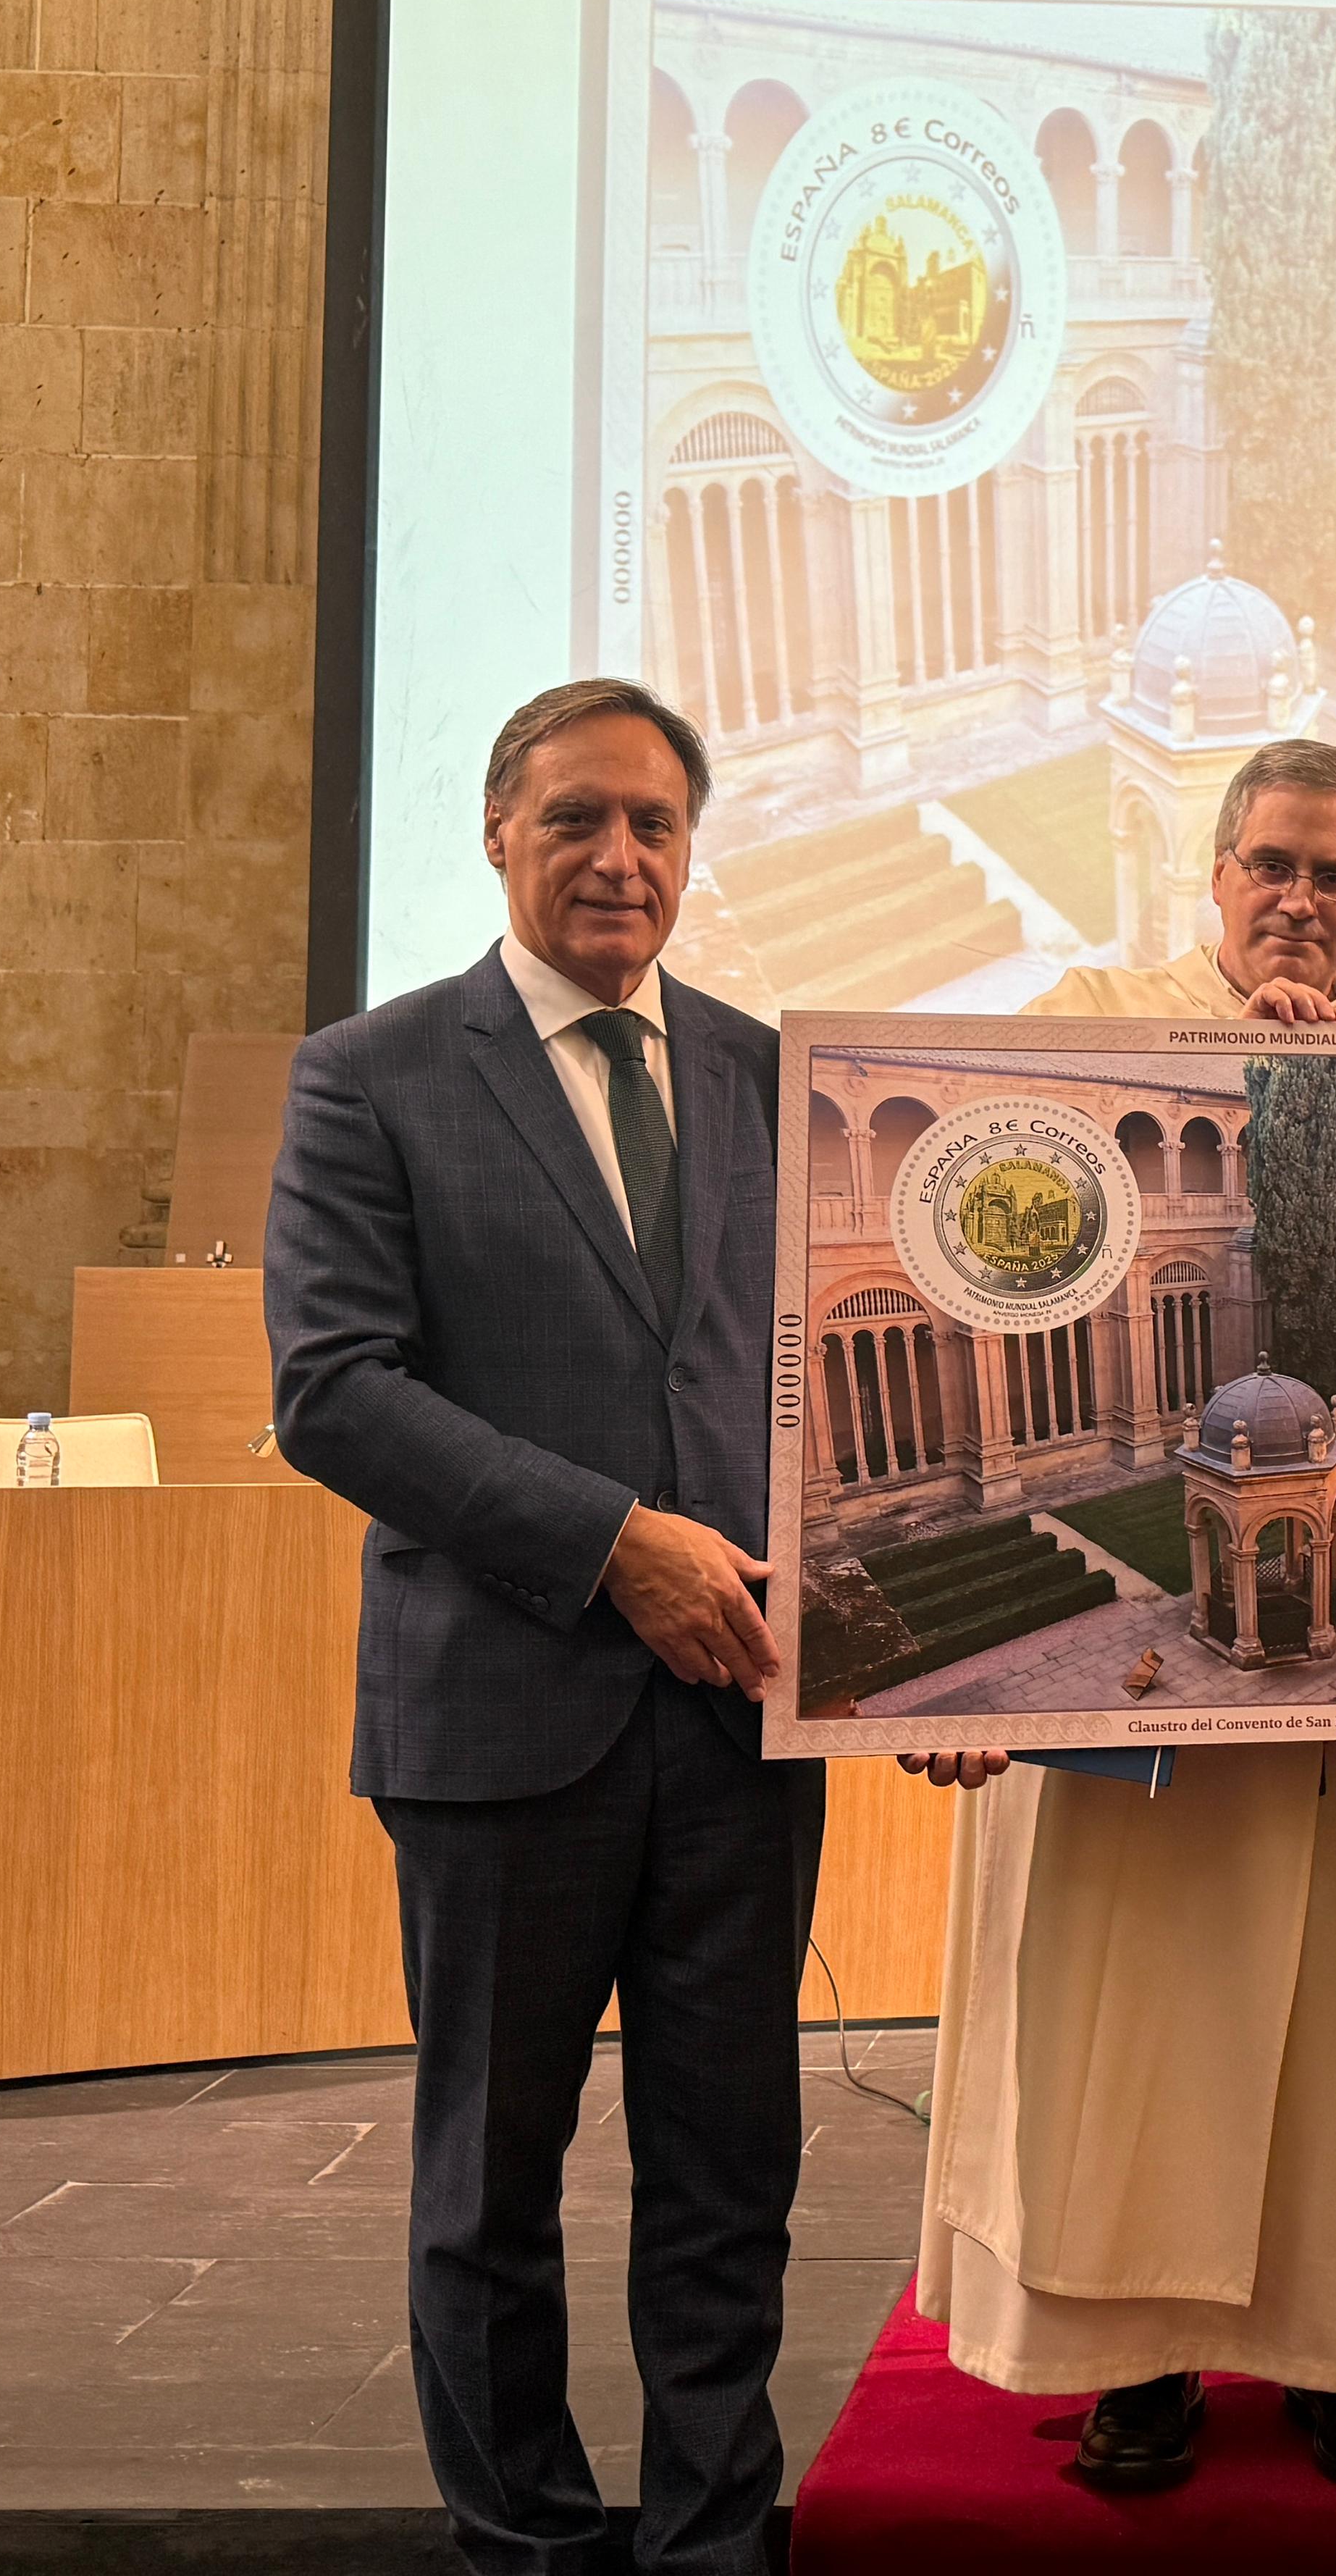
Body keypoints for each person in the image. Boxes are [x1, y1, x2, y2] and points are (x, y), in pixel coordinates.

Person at [265, 678, 824, 2576]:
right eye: (578, 816)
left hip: (744, 1721)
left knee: (729, 2183)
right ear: (498, 831)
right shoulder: (374, 1076)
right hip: (506, 1719)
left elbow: (846, 1379)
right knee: (490, 2193)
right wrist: (611, 1547)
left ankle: (711, 2546)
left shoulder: (773, 1076)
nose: (619, 856)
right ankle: (527, 2551)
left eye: (655, 823)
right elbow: (333, 1392)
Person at [907, 739, 1336, 2498]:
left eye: (1335, 875)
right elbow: (1004, 1256)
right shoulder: (1087, 1021)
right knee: (1124, 2019)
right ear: (1214, 872)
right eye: (1272, 864)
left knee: (1330, 2027)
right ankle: (1130, 2360)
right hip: (1136, 1695)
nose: (1300, 900)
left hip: (1317, 1641)